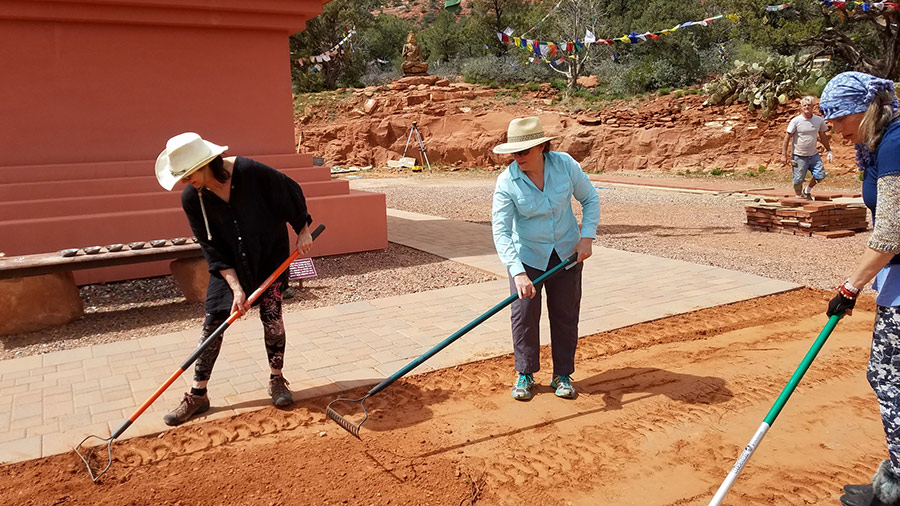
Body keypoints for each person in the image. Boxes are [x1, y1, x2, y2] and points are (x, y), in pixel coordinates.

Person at [154, 132, 314, 426]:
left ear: (206, 164)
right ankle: (198, 395)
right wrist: (236, 288)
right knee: (214, 321)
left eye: (189, 175)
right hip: (229, 267)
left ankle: (276, 380)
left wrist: (302, 229)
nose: (186, 183)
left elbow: (289, 192)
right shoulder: (192, 198)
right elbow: (211, 247)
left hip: (269, 258)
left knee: (272, 317)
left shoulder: (251, 173)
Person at [819, 72, 900, 506]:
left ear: (863, 110)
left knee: (889, 378)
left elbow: (891, 232)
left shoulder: (894, 143)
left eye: (838, 120)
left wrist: (850, 288)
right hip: (897, 280)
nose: (835, 129)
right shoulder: (882, 141)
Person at [491, 117, 600, 401]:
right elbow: (501, 231)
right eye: (514, 153)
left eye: (523, 151)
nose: (518, 158)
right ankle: (525, 374)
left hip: (566, 254)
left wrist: (586, 237)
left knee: (565, 315)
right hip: (527, 257)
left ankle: (562, 374)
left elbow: (590, 199)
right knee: (524, 316)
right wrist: (517, 272)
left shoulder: (565, 166)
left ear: (541, 147)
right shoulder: (506, 182)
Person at [782, 95, 833, 199]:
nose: (807, 107)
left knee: (820, 175)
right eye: (804, 105)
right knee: (798, 179)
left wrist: (829, 150)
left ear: (813, 106)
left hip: (813, 154)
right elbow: (787, 137)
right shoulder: (796, 121)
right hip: (799, 155)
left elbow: (823, 135)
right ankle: (798, 197)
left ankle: (807, 190)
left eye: (809, 105)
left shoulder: (818, 120)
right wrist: (784, 155)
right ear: (801, 107)